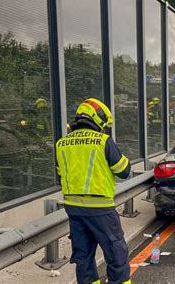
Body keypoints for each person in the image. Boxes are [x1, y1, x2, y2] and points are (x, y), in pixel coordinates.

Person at [56, 98, 131, 284]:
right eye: (104, 123)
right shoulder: (103, 141)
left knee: (83, 256)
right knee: (116, 253)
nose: (104, 128)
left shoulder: (62, 144)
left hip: (73, 209)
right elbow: (124, 171)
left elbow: (60, 174)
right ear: (96, 118)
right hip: (101, 209)